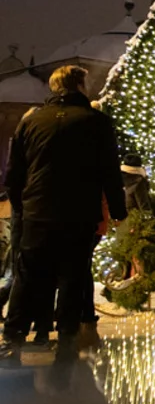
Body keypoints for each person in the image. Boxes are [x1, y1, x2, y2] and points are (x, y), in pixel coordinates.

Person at [1, 65, 126, 367]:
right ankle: (67, 343)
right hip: (78, 213)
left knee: (27, 276)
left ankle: (13, 339)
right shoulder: (96, 121)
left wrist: (23, 207)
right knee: (73, 277)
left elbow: (13, 175)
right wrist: (118, 212)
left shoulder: (31, 122)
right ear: (80, 85)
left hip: (37, 213)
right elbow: (110, 171)